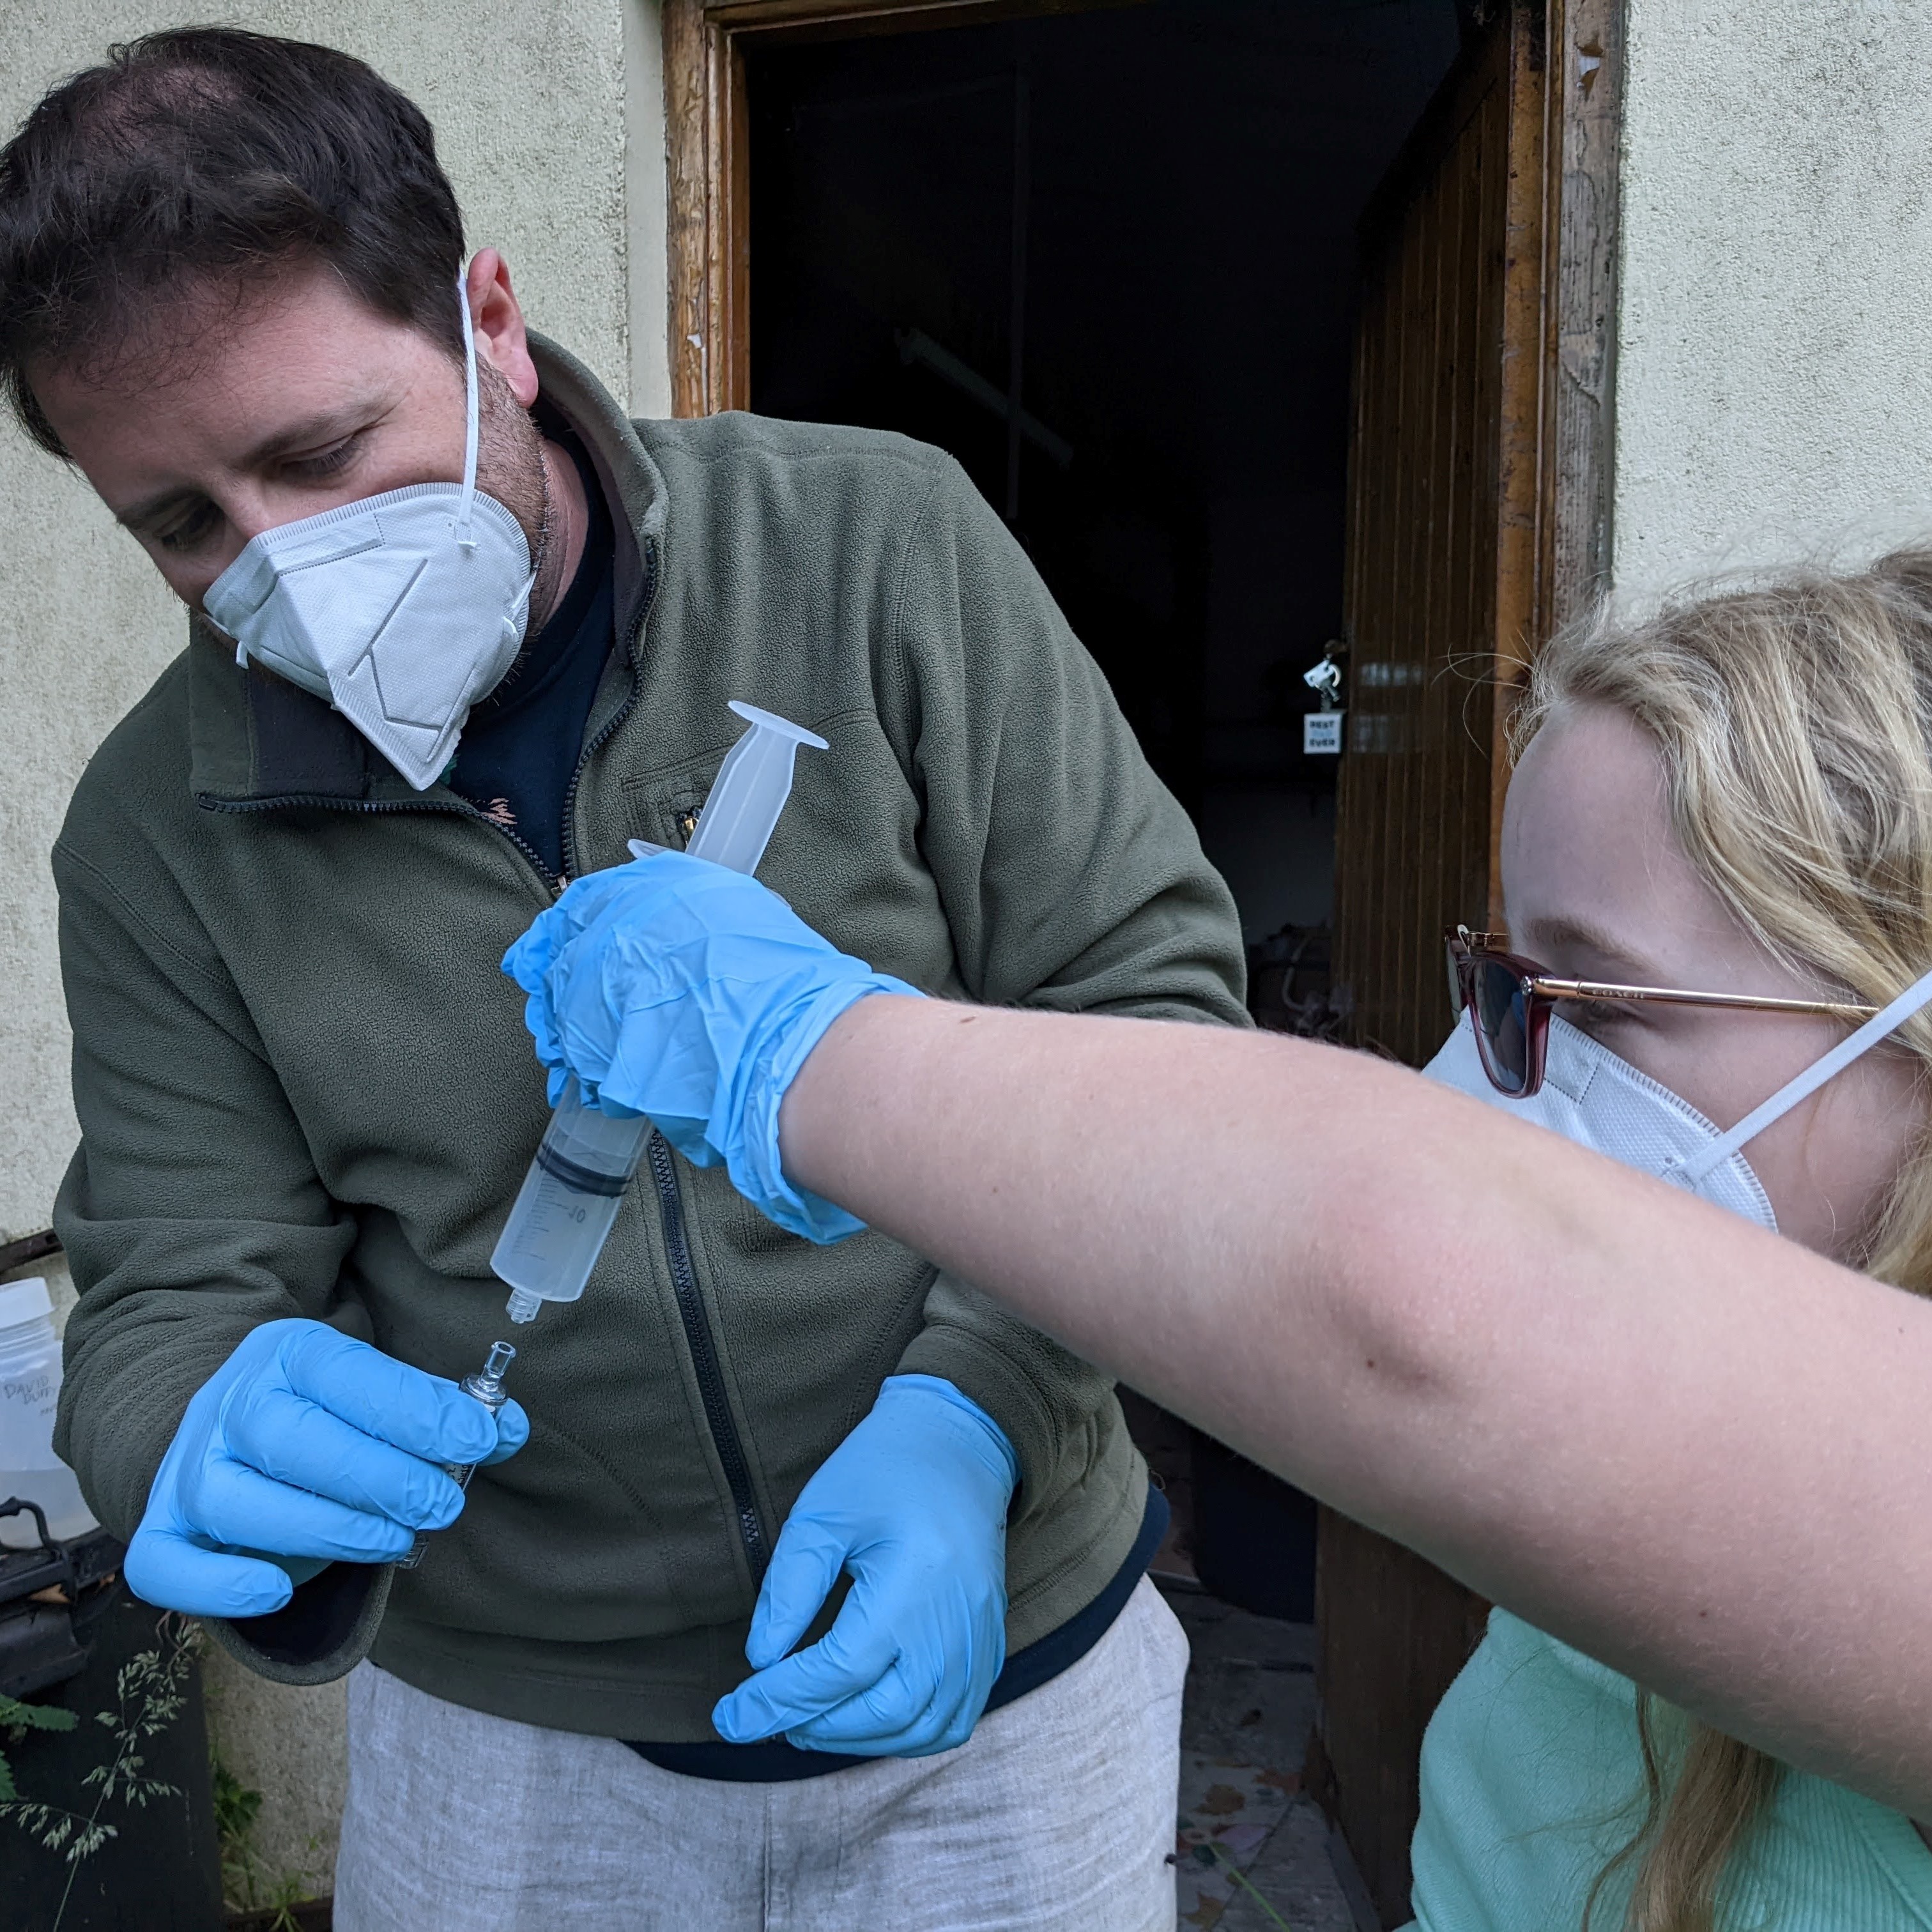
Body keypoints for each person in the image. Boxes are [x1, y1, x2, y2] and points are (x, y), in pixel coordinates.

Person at [6, 29, 1250, 1931]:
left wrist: (977, 1415)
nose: (284, 573)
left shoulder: (865, 549)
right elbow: (174, 1280)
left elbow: (1147, 1015)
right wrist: (184, 1430)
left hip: (1005, 1672)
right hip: (514, 1739)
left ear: (488, 316)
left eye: (324, 451)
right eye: (181, 523)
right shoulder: (153, 831)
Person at [512, 547, 1932, 1928]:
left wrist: (802, 1058)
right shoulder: (1584, 1601)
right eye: (1500, 986)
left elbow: (1426, 1292)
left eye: (1605, 1006)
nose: (1470, 1090)